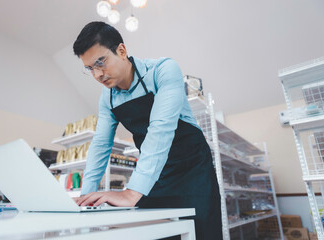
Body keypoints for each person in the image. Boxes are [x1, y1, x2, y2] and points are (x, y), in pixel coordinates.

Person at [72, 21, 222, 240]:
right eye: (90, 69)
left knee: (202, 232)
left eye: (100, 63)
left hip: (193, 169)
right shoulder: (108, 98)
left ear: (121, 51)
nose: (97, 75)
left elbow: (160, 130)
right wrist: (86, 198)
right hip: (156, 176)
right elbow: (101, 145)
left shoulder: (163, 70)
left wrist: (133, 192)